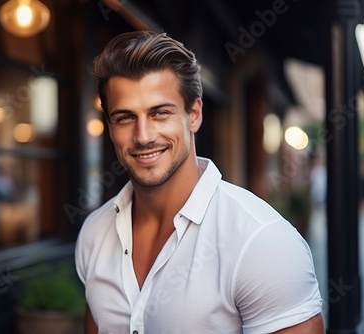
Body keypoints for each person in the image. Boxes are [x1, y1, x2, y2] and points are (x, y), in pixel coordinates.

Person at [75, 31, 324, 334]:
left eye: (160, 113)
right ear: (110, 126)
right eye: (125, 117)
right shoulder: (94, 233)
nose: (143, 136)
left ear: (193, 114)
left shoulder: (261, 241)